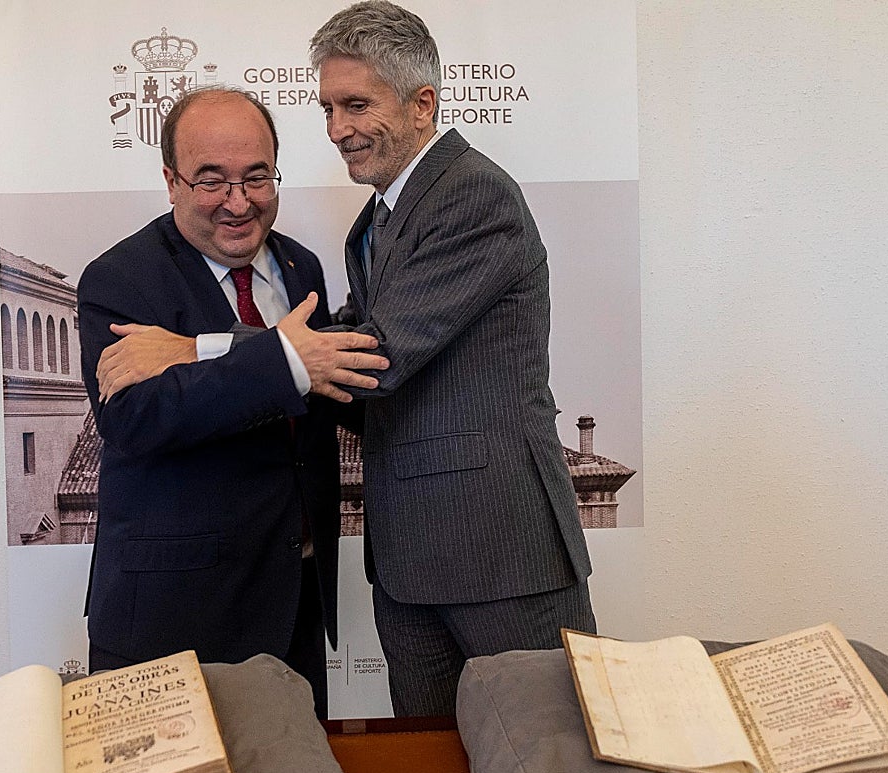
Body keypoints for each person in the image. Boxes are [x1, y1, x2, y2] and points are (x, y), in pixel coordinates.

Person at [302, 0, 597, 716]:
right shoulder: (378, 218)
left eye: (355, 105)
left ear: (422, 103)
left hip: (500, 553)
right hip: (409, 565)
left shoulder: (473, 194)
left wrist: (201, 353)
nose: (338, 129)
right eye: (327, 109)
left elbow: (375, 359)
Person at [76, 87, 386, 717]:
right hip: (173, 614)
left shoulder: (301, 268)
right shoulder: (119, 279)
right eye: (212, 182)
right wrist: (282, 358)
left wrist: (200, 348)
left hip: (296, 598)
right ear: (171, 181)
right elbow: (136, 419)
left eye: (257, 178)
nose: (239, 204)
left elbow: (317, 390)